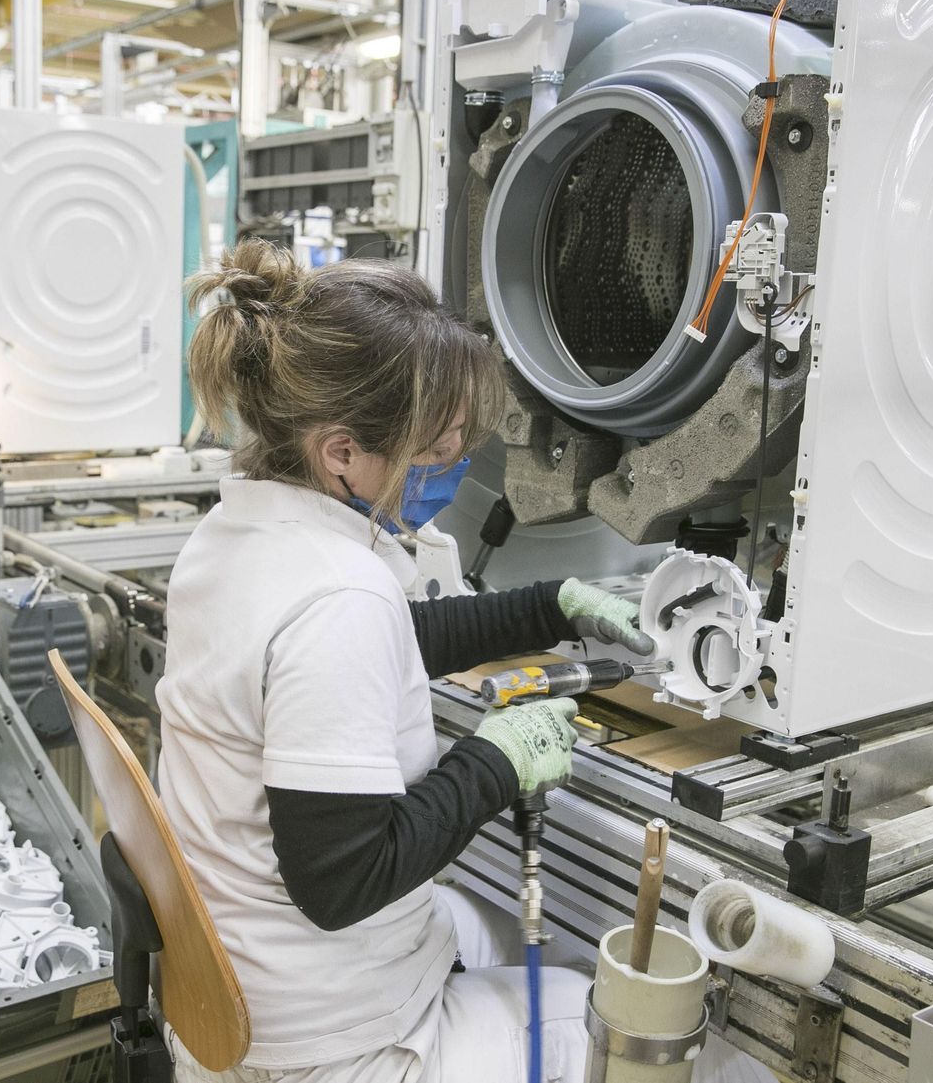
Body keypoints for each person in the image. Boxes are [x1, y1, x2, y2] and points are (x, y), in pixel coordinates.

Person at [154, 239, 662, 1082]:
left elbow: (386, 646)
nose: (454, 456)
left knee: (504, 925)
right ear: (341, 452)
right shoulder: (336, 593)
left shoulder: (237, 533)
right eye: (434, 440)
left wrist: (551, 606)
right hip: (331, 1045)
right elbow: (344, 880)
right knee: (628, 1019)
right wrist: (494, 762)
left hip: (237, 988)